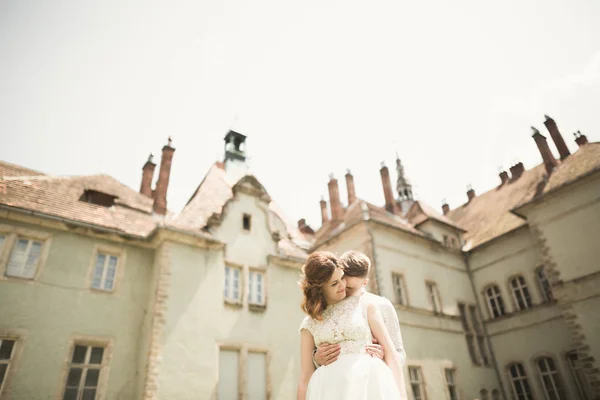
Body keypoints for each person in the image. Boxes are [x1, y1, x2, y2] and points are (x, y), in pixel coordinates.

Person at [297, 251, 405, 400]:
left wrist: (383, 357)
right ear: (319, 289)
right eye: (335, 283)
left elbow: (394, 355)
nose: (342, 285)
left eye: (342, 278)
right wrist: (316, 358)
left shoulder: (369, 305)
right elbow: (305, 376)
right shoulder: (309, 323)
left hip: (368, 385)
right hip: (329, 390)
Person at [313, 250, 406, 368]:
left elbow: (399, 353)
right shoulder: (328, 306)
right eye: (340, 282)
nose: (343, 290)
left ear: (365, 282)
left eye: (350, 288)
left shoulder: (382, 305)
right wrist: (316, 358)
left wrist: (384, 357)